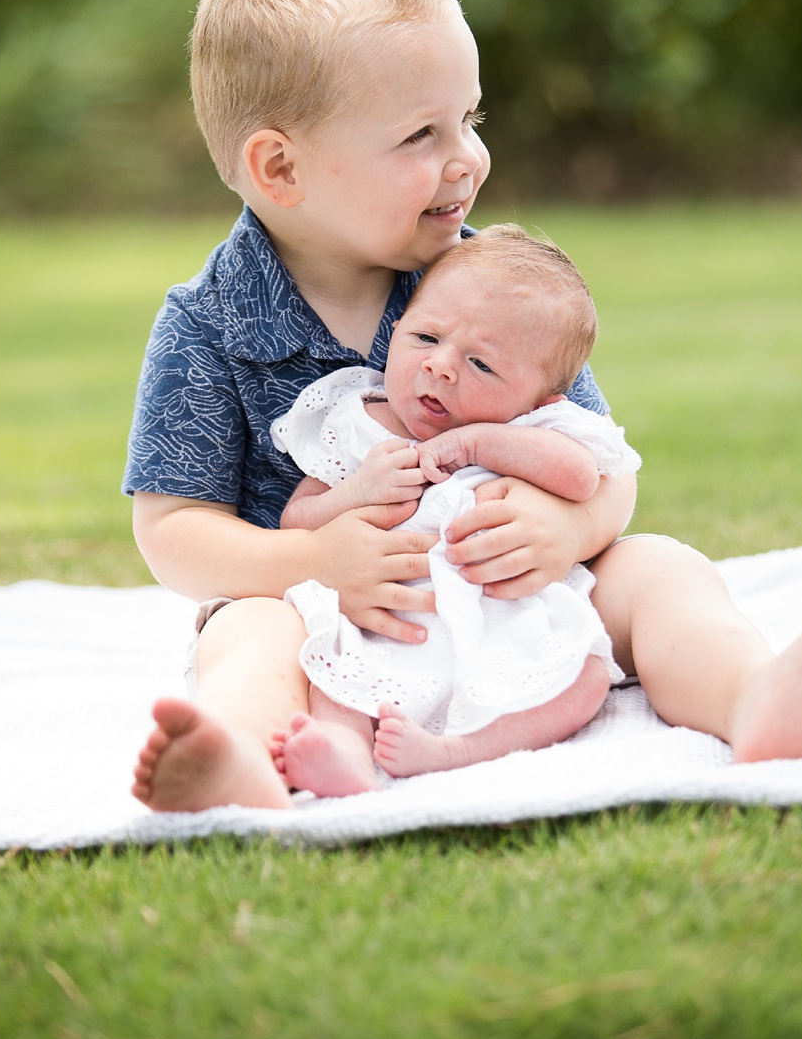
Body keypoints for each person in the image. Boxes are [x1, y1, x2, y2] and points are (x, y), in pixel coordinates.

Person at [130, 0, 802, 813]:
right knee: (246, 631)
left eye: (471, 120)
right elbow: (173, 531)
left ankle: (755, 695)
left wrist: (566, 527)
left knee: (657, 567)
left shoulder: (484, 288)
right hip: (331, 614)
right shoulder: (209, 322)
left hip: (514, 596)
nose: (467, 157)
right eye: (422, 134)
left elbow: (606, 466)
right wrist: (314, 557)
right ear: (281, 168)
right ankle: (241, 758)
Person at [269, 224, 641, 796]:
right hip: (384, 615)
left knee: (586, 676)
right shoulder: (354, 419)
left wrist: (477, 444)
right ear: (393, 335)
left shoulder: (530, 427)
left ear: (543, 399)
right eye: (425, 338)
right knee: (331, 663)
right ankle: (341, 753)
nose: (441, 366)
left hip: (502, 614)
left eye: (482, 365)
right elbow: (297, 520)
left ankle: (456, 751)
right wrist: (357, 492)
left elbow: (582, 475)